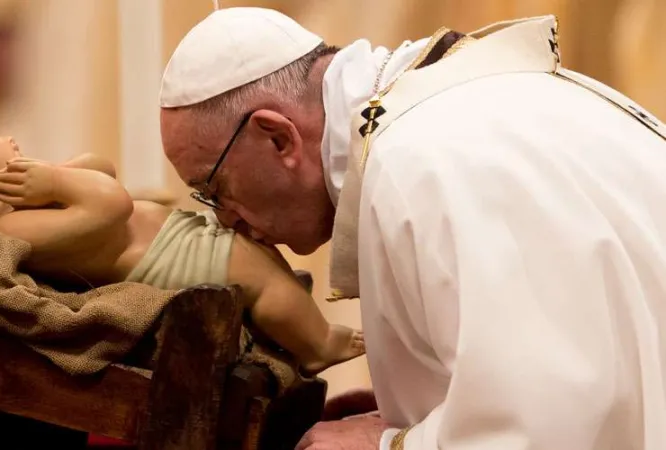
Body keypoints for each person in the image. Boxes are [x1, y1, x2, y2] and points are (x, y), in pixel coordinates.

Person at [158, 6, 666, 450]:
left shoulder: (418, 162)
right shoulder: (472, 109)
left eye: (214, 188)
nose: (226, 219)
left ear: (277, 137)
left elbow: (543, 423)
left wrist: (389, 446)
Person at [0, 112, 365, 376]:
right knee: (261, 281)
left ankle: (311, 333)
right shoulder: (10, 232)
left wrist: (59, 175)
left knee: (265, 263)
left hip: (177, 239)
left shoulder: (26, 204)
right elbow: (111, 205)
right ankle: (317, 344)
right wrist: (55, 181)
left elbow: (102, 172)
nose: (4, 134)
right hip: (170, 263)